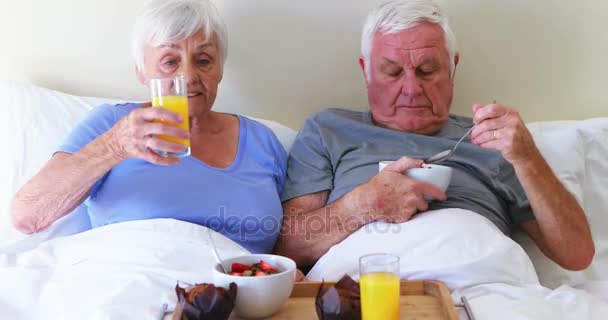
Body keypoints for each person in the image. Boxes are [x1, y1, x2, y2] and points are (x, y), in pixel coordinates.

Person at [275, 0, 594, 270]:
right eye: (393, 72)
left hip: (482, 278)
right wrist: (362, 206)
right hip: (367, 287)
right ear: (366, 70)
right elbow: (287, 247)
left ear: (452, 68)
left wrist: (528, 159)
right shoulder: (328, 129)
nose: (412, 90)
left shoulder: (493, 139)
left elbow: (576, 255)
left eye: (427, 71)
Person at [10, 0, 287, 254]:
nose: (188, 76)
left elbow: (287, 244)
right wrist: (114, 146)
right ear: (142, 71)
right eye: (170, 61)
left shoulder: (263, 141)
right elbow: (27, 216)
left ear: (220, 70)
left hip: (236, 294)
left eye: (203, 61)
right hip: (135, 285)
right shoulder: (112, 125)